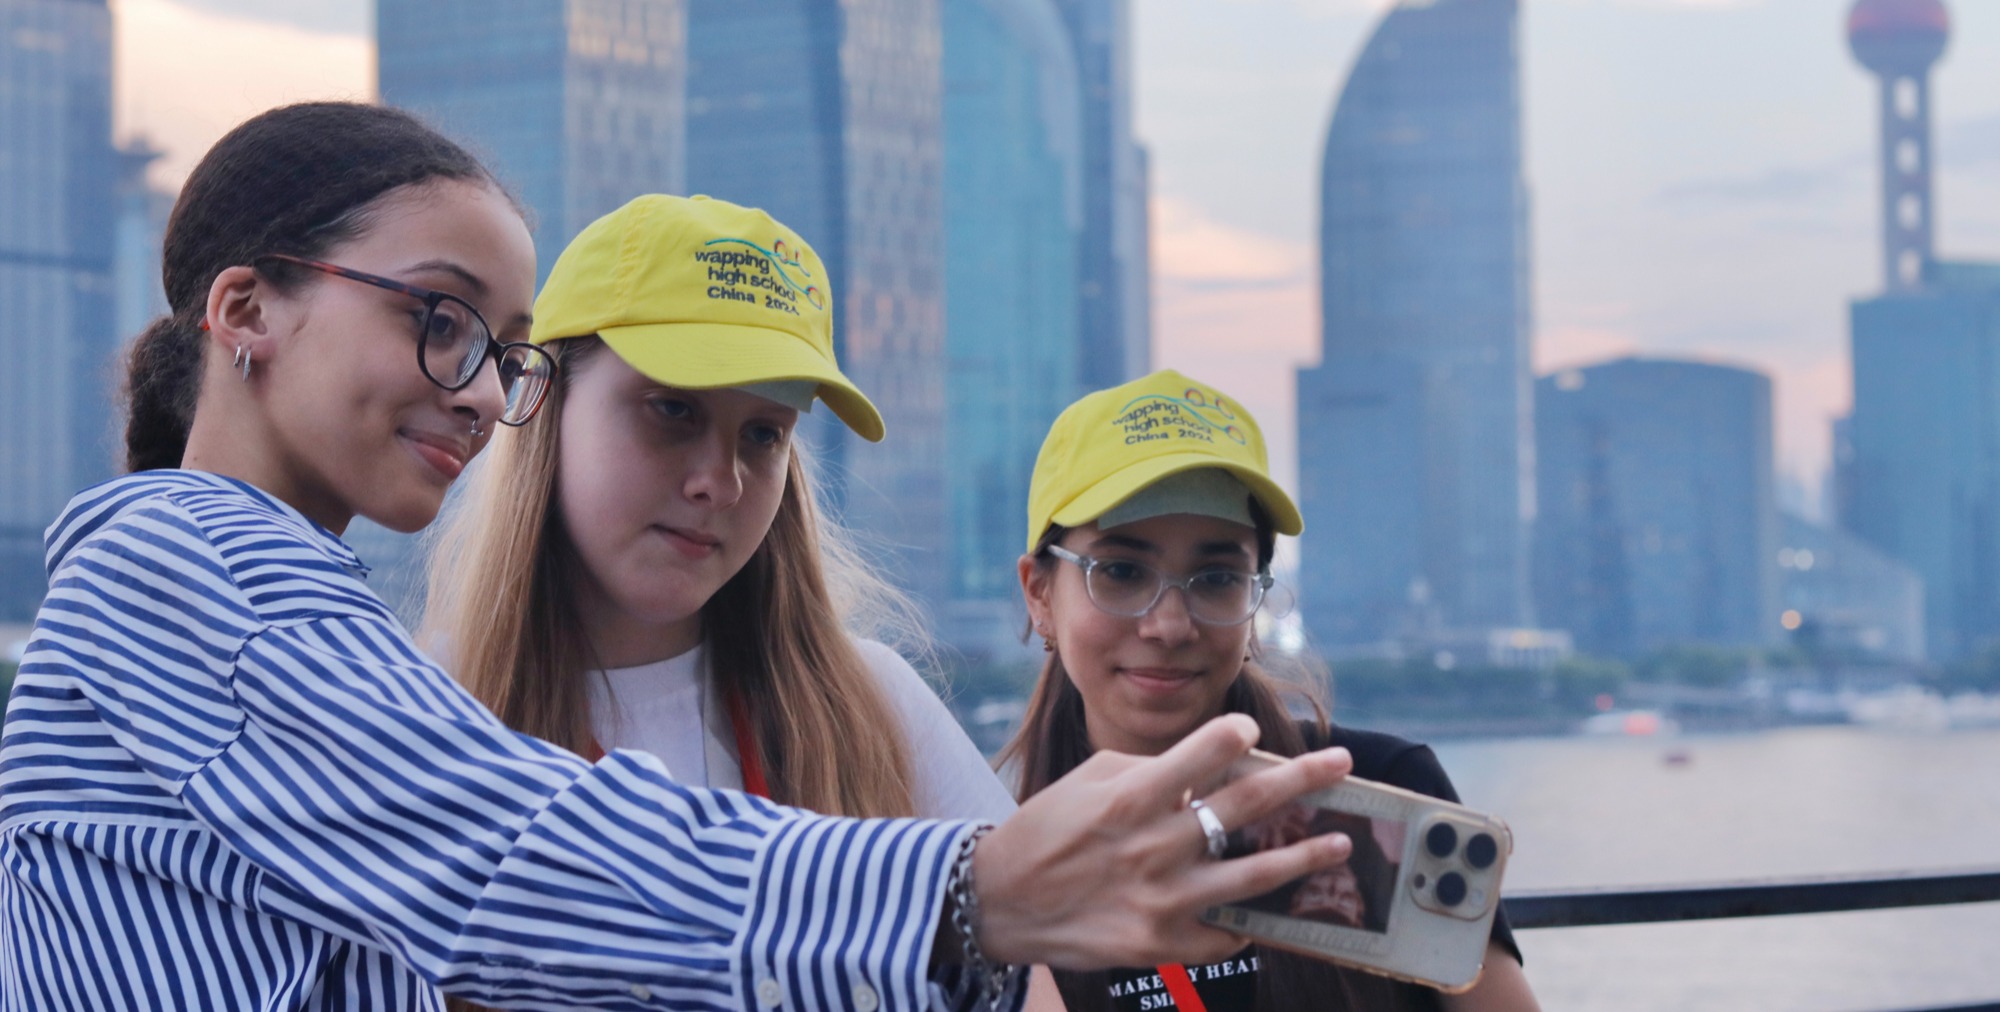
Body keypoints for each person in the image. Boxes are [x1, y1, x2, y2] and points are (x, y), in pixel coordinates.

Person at [0, 103, 1357, 1010]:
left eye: (503, 351)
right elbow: (503, 853)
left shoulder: (283, 611)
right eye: (440, 320)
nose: (480, 391)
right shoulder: (185, 567)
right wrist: (970, 890)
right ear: (245, 310)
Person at [423, 194, 1048, 1008]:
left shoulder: (871, 706)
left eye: (764, 434)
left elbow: (1032, 977)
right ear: (544, 402)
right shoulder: (428, 717)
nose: (719, 482)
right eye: (673, 410)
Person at [999, 370, 1541, 1012]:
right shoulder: (1000, 854)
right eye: (1120, 571)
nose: (1169, 625)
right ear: (1039, 593)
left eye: (1217, 578)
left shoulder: (1380, 796)